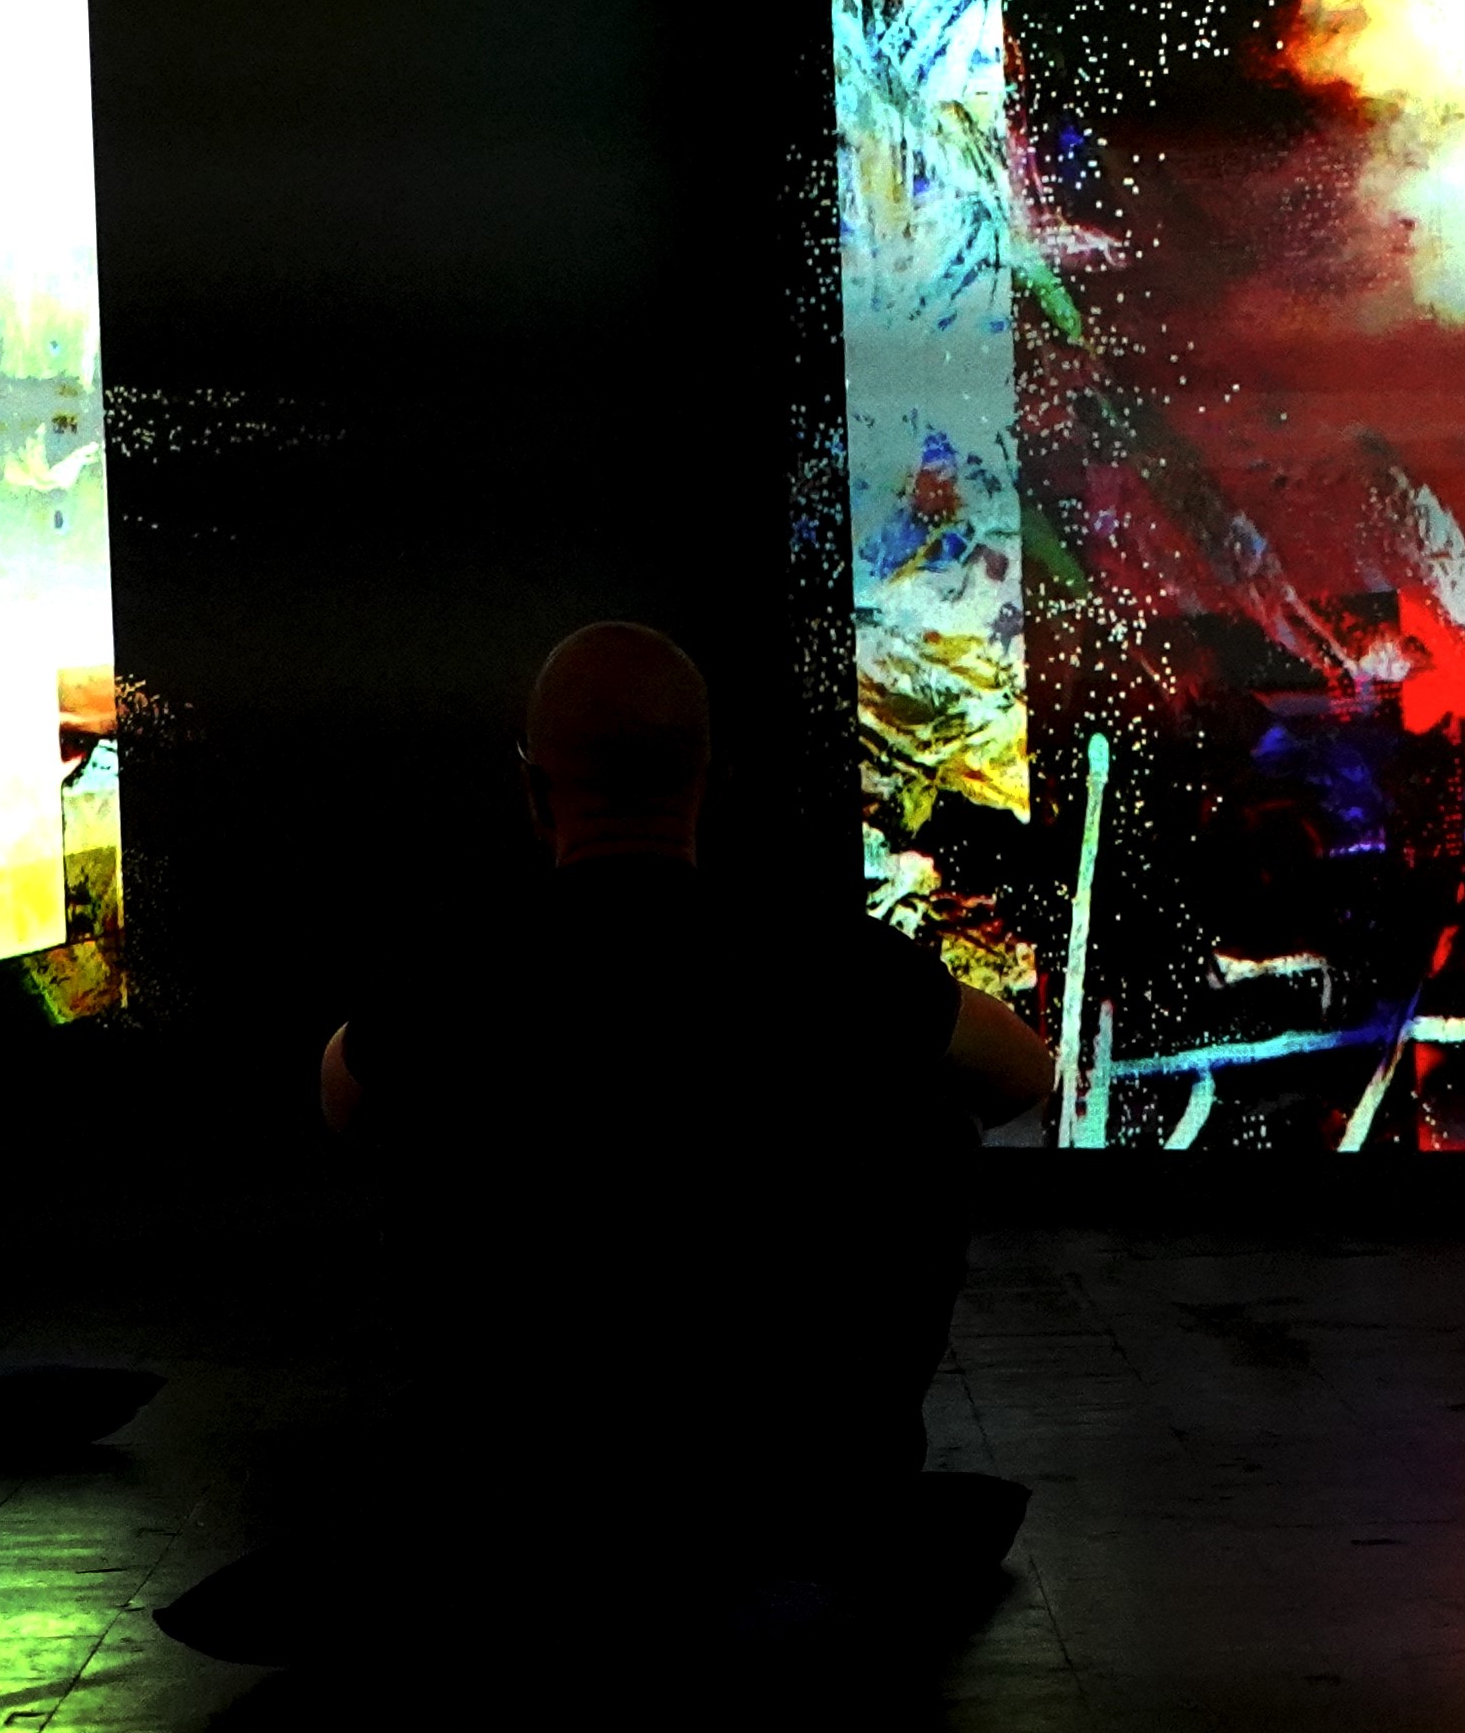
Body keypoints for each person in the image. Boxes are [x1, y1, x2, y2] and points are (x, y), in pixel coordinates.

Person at [255, 619, 1054, 1651]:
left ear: (534, 791)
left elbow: (339, 1097)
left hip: (511, 1499)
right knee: (932, 1113)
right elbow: (1024, 1073)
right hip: (791, 1499)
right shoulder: (826, 961)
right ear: (711, 783)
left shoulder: (458, 970)